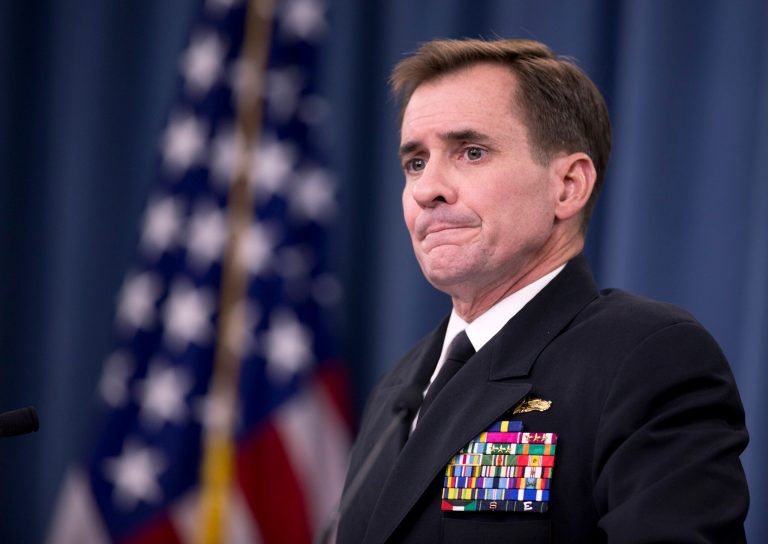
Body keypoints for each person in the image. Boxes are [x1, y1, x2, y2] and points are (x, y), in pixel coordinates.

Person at [336, 38, 748, 543]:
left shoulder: (645, 358)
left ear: (569, 186)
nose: (427, 189)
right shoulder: (399, 386)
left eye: (471, 152)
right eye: (416, 162)